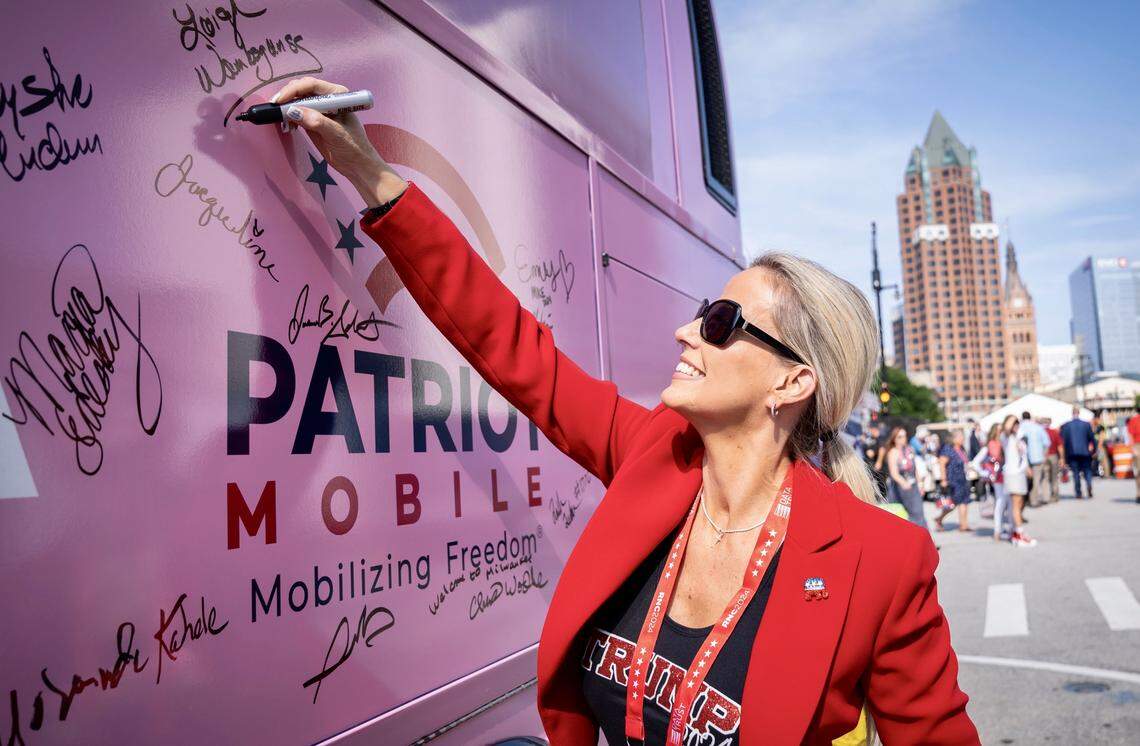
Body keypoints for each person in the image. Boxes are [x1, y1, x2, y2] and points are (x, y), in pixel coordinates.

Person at [270, 77, 979, 744]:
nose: (687, 331)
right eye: (703, 312)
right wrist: (373, 175)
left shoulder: (882, 561)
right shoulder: (650, 454)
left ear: (793, 384)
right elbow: (515, 350)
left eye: (722, 322)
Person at [999, 415, 1037, 547]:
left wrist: (1027, 469)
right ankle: (1019, 534)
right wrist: (1014, 416)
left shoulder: (1017, 437)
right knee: (1015, 505)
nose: (1016, 425)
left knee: (1019, 504)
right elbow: (1007, 427)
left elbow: (1022, 456)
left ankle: (1016, 532)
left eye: (1017, 423)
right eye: (1014, 424)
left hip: (1020, 474)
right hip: (1012, 474)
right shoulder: (1006, 437)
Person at [972, 423, 1009, 541]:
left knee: (1005, 504)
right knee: (1000, 502)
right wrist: (986, 473)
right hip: (998, 478)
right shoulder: (988, 446)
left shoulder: (1005, 444)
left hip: (1007, 476)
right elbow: (975, 462)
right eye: (998, 431)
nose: (1000, 433)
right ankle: (998, 530)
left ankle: (1001, 529)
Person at [887, 427, 926, 528]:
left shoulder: (909, 449)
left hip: (912, 487)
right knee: (899, 518)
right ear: (894, 439)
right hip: (899, 488)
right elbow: (893, 472)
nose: (903, 439)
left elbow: (915, 469)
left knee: (918, 514)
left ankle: (923, 541)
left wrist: (920, 484)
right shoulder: (893, 452)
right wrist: (903, 483)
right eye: (900, 437)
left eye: (904, 436)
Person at [935, 430, 971, 532]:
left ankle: (964, 525)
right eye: (960, 436)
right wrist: (943, 480)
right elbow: (942, 464)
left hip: (963, 479)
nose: (962, 438)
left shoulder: (962, 449)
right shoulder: (948, 449)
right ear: (954, 438)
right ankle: (939, 519)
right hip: (952, 481)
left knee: (964, 501)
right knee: (951, 504)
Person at [1060, 407, 1096, 499]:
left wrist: (1064, 456)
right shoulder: (1086, 424)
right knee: (1087, 470)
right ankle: (1088, 483)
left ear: (1072, 413)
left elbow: (1063, 441)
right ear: (1079, 413)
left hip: (1072, 453)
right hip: (1085, 452)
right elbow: (1092, 439)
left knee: (1076, 473)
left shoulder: (1066, 426)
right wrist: (1094, 451)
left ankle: (1078, 492)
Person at [1019, 411, 1050, 507]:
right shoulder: (1037, 428)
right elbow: (1047, 443)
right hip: (1037, 458)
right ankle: (1034, 500)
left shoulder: (1018, 428)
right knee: (1036, 480)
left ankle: (1025, 500)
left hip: (1021, 460)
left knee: (1024, 481)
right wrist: (1044, 455)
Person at [1042, 417, 1062, 503]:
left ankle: (1046, 497)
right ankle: (1054, 496)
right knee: (1054, 477)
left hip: (1043, 456)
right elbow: (1060, 446)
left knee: (1045, 477)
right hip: (1053, 456)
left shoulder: (1041, 432)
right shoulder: (1054, 432)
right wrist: (1062, 458)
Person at [1128, 406, 1140, 502]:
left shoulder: (1133, 420)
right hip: (1137, 446)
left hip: (1137, 446)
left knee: (1138, 472)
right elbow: (1130, 435)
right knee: (1138, 472)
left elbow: (1130, 435)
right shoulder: (1134, 420)